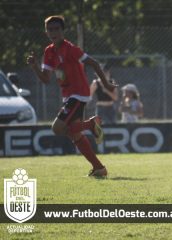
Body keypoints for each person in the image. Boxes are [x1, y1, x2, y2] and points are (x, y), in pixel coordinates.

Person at [26, 15, 116, 177]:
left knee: (57, 128)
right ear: (46, 32)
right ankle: (99, 168)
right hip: (68, 96)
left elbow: (94, 63)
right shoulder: (49, 52)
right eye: (50, 29)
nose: (53, 32)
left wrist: (107, 84)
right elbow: (46, 79)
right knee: (73, 134)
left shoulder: (71, 49)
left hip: (78, 94)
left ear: (63, 30)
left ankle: (91, 125)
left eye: (57, 29)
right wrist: (34, 67)